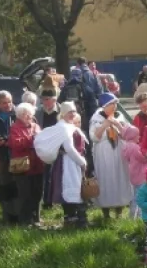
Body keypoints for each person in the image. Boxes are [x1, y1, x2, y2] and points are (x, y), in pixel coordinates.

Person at [89, 93, 133, 220]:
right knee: (106, 178)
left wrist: (118, 125)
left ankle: (119, 210)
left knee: (120, 177)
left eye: (115, 104)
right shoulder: (97, 118)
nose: (115, 106)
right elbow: (94, 137)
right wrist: (105, 125)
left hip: (119, 151)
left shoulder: (119, 116)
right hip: (104, 152)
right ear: (105, 105)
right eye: (112, 104)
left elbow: (128, 133)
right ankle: (106, 212)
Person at [49, 102, 89, 229]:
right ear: (63, 113)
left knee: (75, 189)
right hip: (68, 162)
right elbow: (69, 148)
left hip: (72, 161)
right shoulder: (63, 127)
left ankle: (74, 219)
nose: (73, 114)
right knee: (72, 188)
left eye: (74, 111)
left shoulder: (68, 125)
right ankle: (76, 220)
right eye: (70, 112)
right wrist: (82, 162)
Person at [9, 102, 45, 226]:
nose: (28, 116)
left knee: (37, 192)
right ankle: (25, 220)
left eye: (29, 114)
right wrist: (31, 139)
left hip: (37, 164)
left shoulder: (35, 126)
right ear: (19, 116)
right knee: (25, 194)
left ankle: (36, 219)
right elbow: (15, 143)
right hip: (23, 166)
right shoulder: (15, 127)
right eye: (24, 114)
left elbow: (42, 140)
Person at [0, 91, 18, 226]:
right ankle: (7, 215)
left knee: (18, 185)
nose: (7, 105)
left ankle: (19, 215)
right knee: (4, 186)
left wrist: (11, 140)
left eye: (9, 101)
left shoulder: (19, 113)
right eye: (3, 103)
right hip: (4, 156)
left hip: (18, 155)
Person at [37, 80, 60, 210]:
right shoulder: (38, 112)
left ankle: (57, 200)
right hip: (44, 147)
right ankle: (47, 201)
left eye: (47, 99)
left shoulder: (61, 110)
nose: (45, 102)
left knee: (58, 174)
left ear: (54, 99)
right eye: (43, 99)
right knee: (46, 175)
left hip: (59, 146)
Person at [122, 125, 147, 219]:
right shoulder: (135, 147)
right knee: (140, 196)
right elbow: (142, 158)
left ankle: (133, 215)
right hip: (140, 174)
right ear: (132, 136)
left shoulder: (126, 146)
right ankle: (139, 216)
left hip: (133, 173)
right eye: (137, 135)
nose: (139, 137)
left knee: (135, 194)